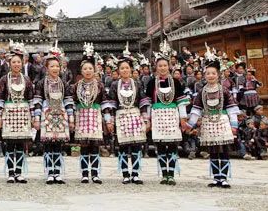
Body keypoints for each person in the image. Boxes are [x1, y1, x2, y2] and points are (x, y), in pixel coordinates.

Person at [186, 45, 239, 188]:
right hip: (208, 122)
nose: (210, 76)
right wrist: (190, 124)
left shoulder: (225, 90)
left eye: (213, 73)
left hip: (222, 121)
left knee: (224, 150)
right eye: (208, 73)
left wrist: (234, 125)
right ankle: (217, 177)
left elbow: (232, 109)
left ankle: (224, 177)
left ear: (218, 75)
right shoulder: (202, 91)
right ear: (204, 75)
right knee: (213, 151)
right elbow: (196, 109)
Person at [143, 40, 189, 185]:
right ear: (155, 67)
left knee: (173, 146)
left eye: (165, 65)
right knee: (161, 146)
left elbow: (181, 102)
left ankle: (172, 174)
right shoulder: (151, 82)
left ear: (169, 66)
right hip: (158, 117)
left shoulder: (175, 82)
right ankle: (164, 174)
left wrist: (183, 119)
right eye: (160, 66)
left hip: (172, 116)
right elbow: (149, 102)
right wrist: (148, 119)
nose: (162, 68)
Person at [103, 46, 147, 184]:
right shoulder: (115, 85)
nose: (125, 70)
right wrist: (109, 120)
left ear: (131, 69)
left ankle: (135, 173)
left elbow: (143, 102)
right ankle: (125, 173)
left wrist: (146, 119)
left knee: (136, 145)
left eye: (127, 68)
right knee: (122, 146)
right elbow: (111, 104)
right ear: (118, 71)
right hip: (121, 115)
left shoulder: (137, 83)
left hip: (134, 114)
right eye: (122, 68)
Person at [0, 40, 35, 184]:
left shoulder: (27, 79)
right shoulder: (4, 80)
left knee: (20, 144)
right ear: (9, 64)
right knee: (10, 144)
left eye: (19, 62)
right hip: (9, 113)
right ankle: (11, 172)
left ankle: (19, 172)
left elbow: (31, 99)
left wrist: (34, 116)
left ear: (22, 63)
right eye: (14, 62)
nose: (17, 64)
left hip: (23, 113)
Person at [68, 43, 106, 184]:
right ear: (81, 71)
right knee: (83, 146)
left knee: (95, 146)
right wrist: (71, 118)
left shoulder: (100, 85)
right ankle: (85, 173)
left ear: (94, 70)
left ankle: (95, 173)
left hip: (94, 115)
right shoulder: (76, 86)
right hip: (81, 115)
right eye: (85, 68)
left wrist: (108, 119)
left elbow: (105, 103)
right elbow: (71, 102)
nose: (88, 71)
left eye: (90, 68)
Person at [34, 42, 70, 184]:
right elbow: (37, 100)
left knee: (59, 144)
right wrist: (36, 118)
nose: (55, 68)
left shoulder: (64, 83)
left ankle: (58, 172)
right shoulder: (41, 83)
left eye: (57, 66)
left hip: (60, 114)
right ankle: (50, 172)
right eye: (52, 66)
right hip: (47, 113)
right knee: (48, 145)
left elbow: (68, 100)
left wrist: (71, 117)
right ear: (47, 68)